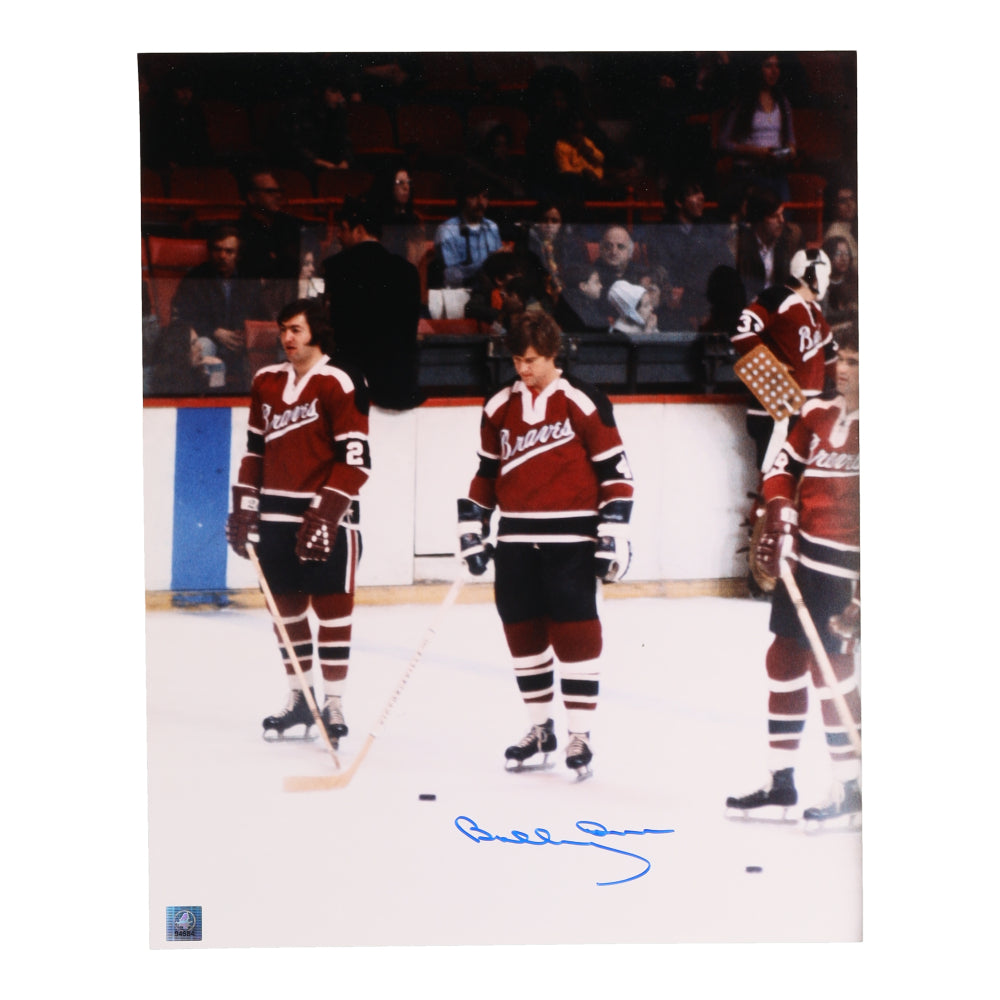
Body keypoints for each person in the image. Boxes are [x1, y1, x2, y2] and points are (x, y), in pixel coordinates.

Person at [457, 310, 635, 779]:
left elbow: (617, 475)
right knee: (522, 634)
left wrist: (613, 532)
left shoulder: (583, 399)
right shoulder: (498, 406)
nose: (523, 369)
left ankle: (579, 733)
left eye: (532, 359)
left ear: (554, 353)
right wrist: (472, 524)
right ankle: (539, 728)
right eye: (517, 359)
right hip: (515, 537)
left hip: (572, 538)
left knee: (576, 636)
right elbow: (486, 473)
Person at [726, 323, 860, 826]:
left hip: (845, 572)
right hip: (800, 562)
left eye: (853, 360)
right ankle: (781, 781)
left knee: (834, 678)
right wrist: (781, 509)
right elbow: (780, 468)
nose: (840, 368)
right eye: (839, 357)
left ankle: (851, 786)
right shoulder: (817, 413)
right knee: (783, 662)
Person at [225, 298, 371, 745]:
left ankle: (334, 703)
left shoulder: (341, 381)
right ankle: (301, 699)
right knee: (286, 614)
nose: (287, 338)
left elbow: (357, 463)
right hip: (276, 519)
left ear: (317, 333)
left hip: (327, 519)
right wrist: (246, 503)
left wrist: (325, 512)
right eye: (284, 330)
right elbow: (255, 451)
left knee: (332, 613)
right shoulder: (265, 382)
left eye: (297, 330)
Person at [731, 246, 835, 471]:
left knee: (791, 485)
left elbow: (830, 352)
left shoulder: (814, 311)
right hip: (779, 412)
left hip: (806, 412)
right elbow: (742, 331)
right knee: (771, 482)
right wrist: (773, 375)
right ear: (815, 275)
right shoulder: (777, 297)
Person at [322, 196, 423, 411]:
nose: (338, 236)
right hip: (398, 387)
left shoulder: (336, 268)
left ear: (359, 230)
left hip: (352, 384)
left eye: (342, 229)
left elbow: (336, 327)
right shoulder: (407, 271)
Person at [171, 224, 264, 392]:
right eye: (217, 250)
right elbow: (182, 318)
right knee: (203, 345)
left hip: (241, 340)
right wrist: (215, 331)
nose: (222, 256)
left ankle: (255, 400)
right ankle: (211, 394)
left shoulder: (250, 279)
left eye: (229, 251)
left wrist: (247, 332)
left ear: (238, 255)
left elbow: (261, 313)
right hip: (210, 338)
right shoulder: (195, 278)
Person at [646, 178, 735, 330]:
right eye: (694, 194)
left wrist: (693, 289)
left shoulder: (711, 230)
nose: (702, 197)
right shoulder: (660, 233)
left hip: (705, 298)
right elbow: (663, 270)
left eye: (701, 192)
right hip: (676, 304)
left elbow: (726, 266)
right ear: (678, 202)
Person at [717, 52, 797, 202]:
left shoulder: (782, 101)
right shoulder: (741, 102)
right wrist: (756, 152)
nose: (774, 71)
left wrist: (788, 151)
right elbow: (722, 143)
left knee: (784, 214)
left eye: (777, 66)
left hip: (775, 172)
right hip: (748, 173)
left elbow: (791, 141)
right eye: (768, 66)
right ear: (757, 69)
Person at [734, 186, 802, 304]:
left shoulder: (791, 237)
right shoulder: (740, 244)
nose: (782, 220)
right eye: (775, 216)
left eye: (782, 214)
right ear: (759, 220)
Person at [432, 177, 503, 288]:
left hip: (490, 294)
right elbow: (450, 276)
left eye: (484, 196)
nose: (481, 203)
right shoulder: (447, 230)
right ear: (463, 199)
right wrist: (487, 264)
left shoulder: (492, 227)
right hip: (459, 295)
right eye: (474, 196)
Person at [144, 321, 212, 397]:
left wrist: (218, 368)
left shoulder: (198, 373)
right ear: (180, 350)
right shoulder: (166, 384)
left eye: (197, 341)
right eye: (193, 343)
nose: (201, 347)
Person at [552, 262, 610, 333]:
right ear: (583, 286)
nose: (601, 286)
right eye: (596, 282)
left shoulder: (567, 301)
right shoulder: (585, 309)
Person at [822, 235, 859, 325]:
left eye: (846, 253)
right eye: (838, 254)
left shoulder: (853, 279)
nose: (844, 258)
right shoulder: (822, 284)